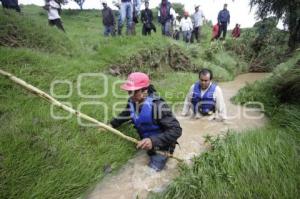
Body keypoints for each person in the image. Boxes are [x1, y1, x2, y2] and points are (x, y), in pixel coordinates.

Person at [110, 72, 182, 171]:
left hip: (163, 146)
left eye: (134, 91)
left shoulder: (158, 106)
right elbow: (126, 113)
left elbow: (176, 130)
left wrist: (153, 141)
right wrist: (112, 124)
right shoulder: (133, 100)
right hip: (146, 143)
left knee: (149, 174)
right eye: (129, 91)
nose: (131, 95)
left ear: (145, 91)